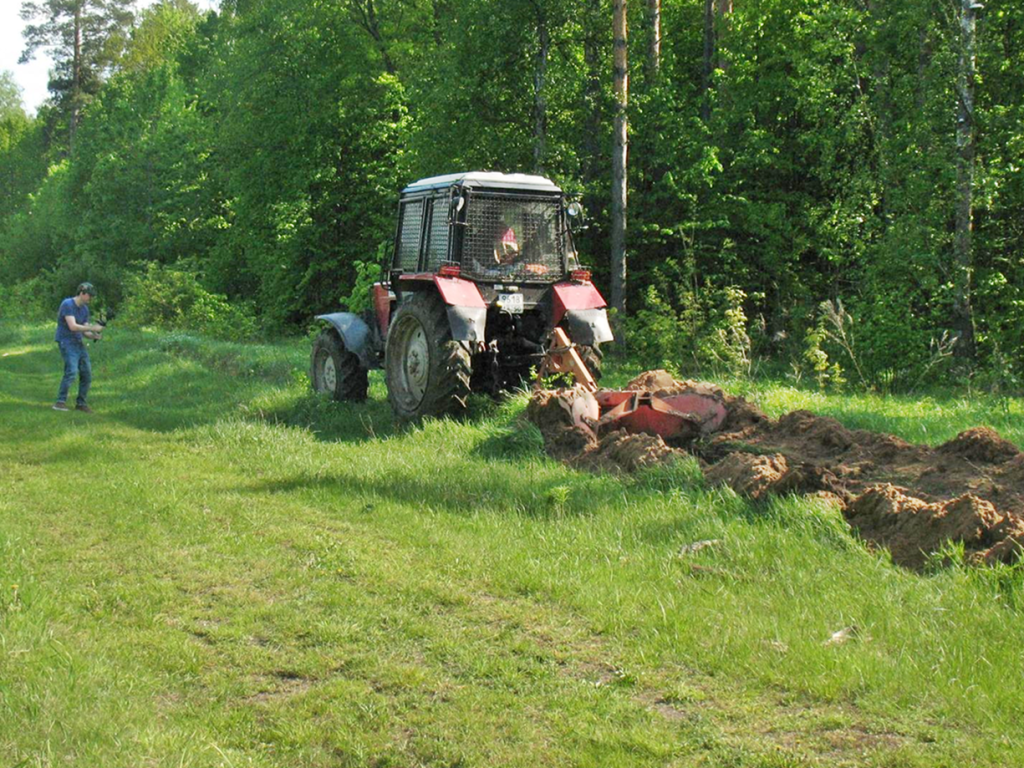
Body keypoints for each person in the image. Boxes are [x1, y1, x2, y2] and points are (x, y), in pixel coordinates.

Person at [54, 282, 105, 413]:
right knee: (71, 371)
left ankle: (81, 403)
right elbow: (73, 326)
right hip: (66, 341)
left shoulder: (84, 309)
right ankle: (60, 402)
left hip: (77, 342)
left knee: (86, 373)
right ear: (82, 293)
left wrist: (94, 335)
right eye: (89, 295)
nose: (91, 298)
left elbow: (85, 332)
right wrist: (93, 327)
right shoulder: (67, 304)